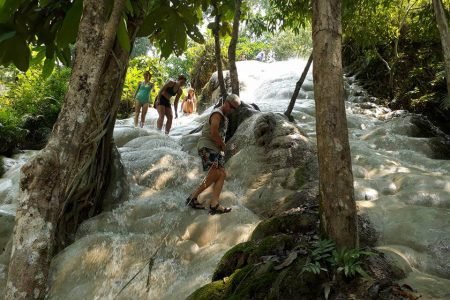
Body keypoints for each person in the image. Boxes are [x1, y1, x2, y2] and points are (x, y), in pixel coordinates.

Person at [186, 94, 241, 215]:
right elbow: (213, 132)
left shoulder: (224, 117)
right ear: (226, 103)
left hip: (215, 148)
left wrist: (221, 146)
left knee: (221, 174)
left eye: (235, 109)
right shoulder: (217, 114)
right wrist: (222, 144)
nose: (232, 110)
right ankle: (193, 197)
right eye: (232, 107)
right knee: (215, 172)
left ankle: (214, 204)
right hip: (207, 146)